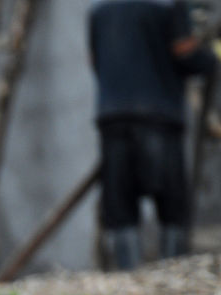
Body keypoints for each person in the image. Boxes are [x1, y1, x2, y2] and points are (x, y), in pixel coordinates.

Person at [89, 0, 217, 270]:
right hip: (158, 116)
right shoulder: (169, 5)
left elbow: (95, 61)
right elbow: (185, 54)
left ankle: (128, 275)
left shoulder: (99, 9)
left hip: (113, 116)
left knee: (120, 205)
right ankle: (172, 272)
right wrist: (212, 58)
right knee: (172, 205)